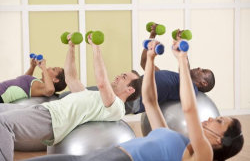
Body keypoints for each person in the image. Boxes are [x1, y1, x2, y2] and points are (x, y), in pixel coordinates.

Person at [25, 39, 244, 161]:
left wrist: (183, 60)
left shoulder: (202, 155)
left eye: (219, 121)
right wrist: (149, 59)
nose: (209, 119)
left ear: (220, 141)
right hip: (102, 155)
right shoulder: (175, 138)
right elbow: (149, 100)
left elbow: (188, 109)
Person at [0, 34, 142, 161]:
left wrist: (96, 48)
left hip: (51, 119)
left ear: (130, 89)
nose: (118, 76)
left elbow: (102, 82)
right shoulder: (90, 94)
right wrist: (71, 47)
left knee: (3, 123)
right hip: (43, 109)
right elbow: (70, 77)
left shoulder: (116, 106)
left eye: (124, 77)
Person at [125, 25, 215, 114]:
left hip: (136, 98)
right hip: (128, 87)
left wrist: (182, 48)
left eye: (203, 71)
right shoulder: (171, 77)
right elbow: (144, 63)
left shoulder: (191, 90)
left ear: (204, 83)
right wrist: (152, 37)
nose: (199, 68)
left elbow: (185, 72)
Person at [0, 58, 66, 103]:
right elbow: (24, 79)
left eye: (53, 69)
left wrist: (43, 67)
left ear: (55, 79)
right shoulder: (37, 82)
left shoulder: (42, 87)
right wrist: (32, 66)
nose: (49, 67)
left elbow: (50, 90)